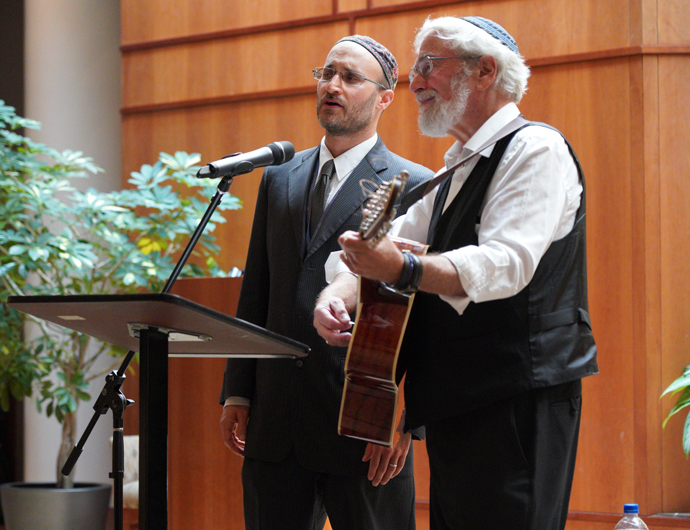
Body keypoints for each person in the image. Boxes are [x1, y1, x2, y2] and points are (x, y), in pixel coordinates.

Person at [314, 16, 598, 530]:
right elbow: (383, 244)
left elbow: (505, 263)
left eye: (429, 65)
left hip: (516, 400)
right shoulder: (456, 169)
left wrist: (400, 267)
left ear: (485, 70)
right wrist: (334, 295)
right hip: (457, 402)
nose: (415, 80)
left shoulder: (536, 149)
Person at [219, 35, 434, 530]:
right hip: (275, 423)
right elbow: (258, 288)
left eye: (350, 78)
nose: (332, 85)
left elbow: (426, 314)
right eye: (327, 73)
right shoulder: (280, 178)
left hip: (362, 424)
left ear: (384, 98)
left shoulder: (411, 183)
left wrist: (411, 421)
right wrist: (238, 392)